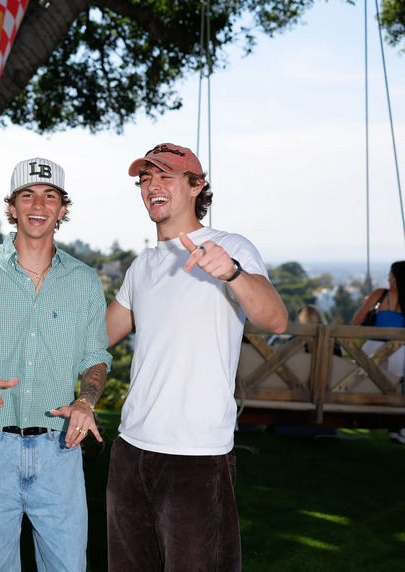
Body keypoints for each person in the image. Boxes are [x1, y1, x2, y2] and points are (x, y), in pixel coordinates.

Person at [105, 143, 288, 571]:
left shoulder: (229, 246)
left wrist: (233, 273)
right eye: (146, 178)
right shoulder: (142, 266)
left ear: (196, 185)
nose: (153, 185)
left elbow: (276, 319)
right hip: (130, 449)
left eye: (166, 176)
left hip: (197, 454)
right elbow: (96, 337)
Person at [0, 157, 112, 571]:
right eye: (27, 194)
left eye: (49, 195)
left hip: (59, 450)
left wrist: (86, 401)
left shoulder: (84, 280)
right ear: (12, 207)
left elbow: (96, 358)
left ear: (62, 208)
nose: (38, 204)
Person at [353, 261, 405, 444]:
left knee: (368, 381)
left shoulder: (381, 295)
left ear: (392, 276)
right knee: (397, 388)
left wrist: (367, 303)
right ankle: (397, 427)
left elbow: (356, 320)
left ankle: (369, 419)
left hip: (374, 349)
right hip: (401, 352)